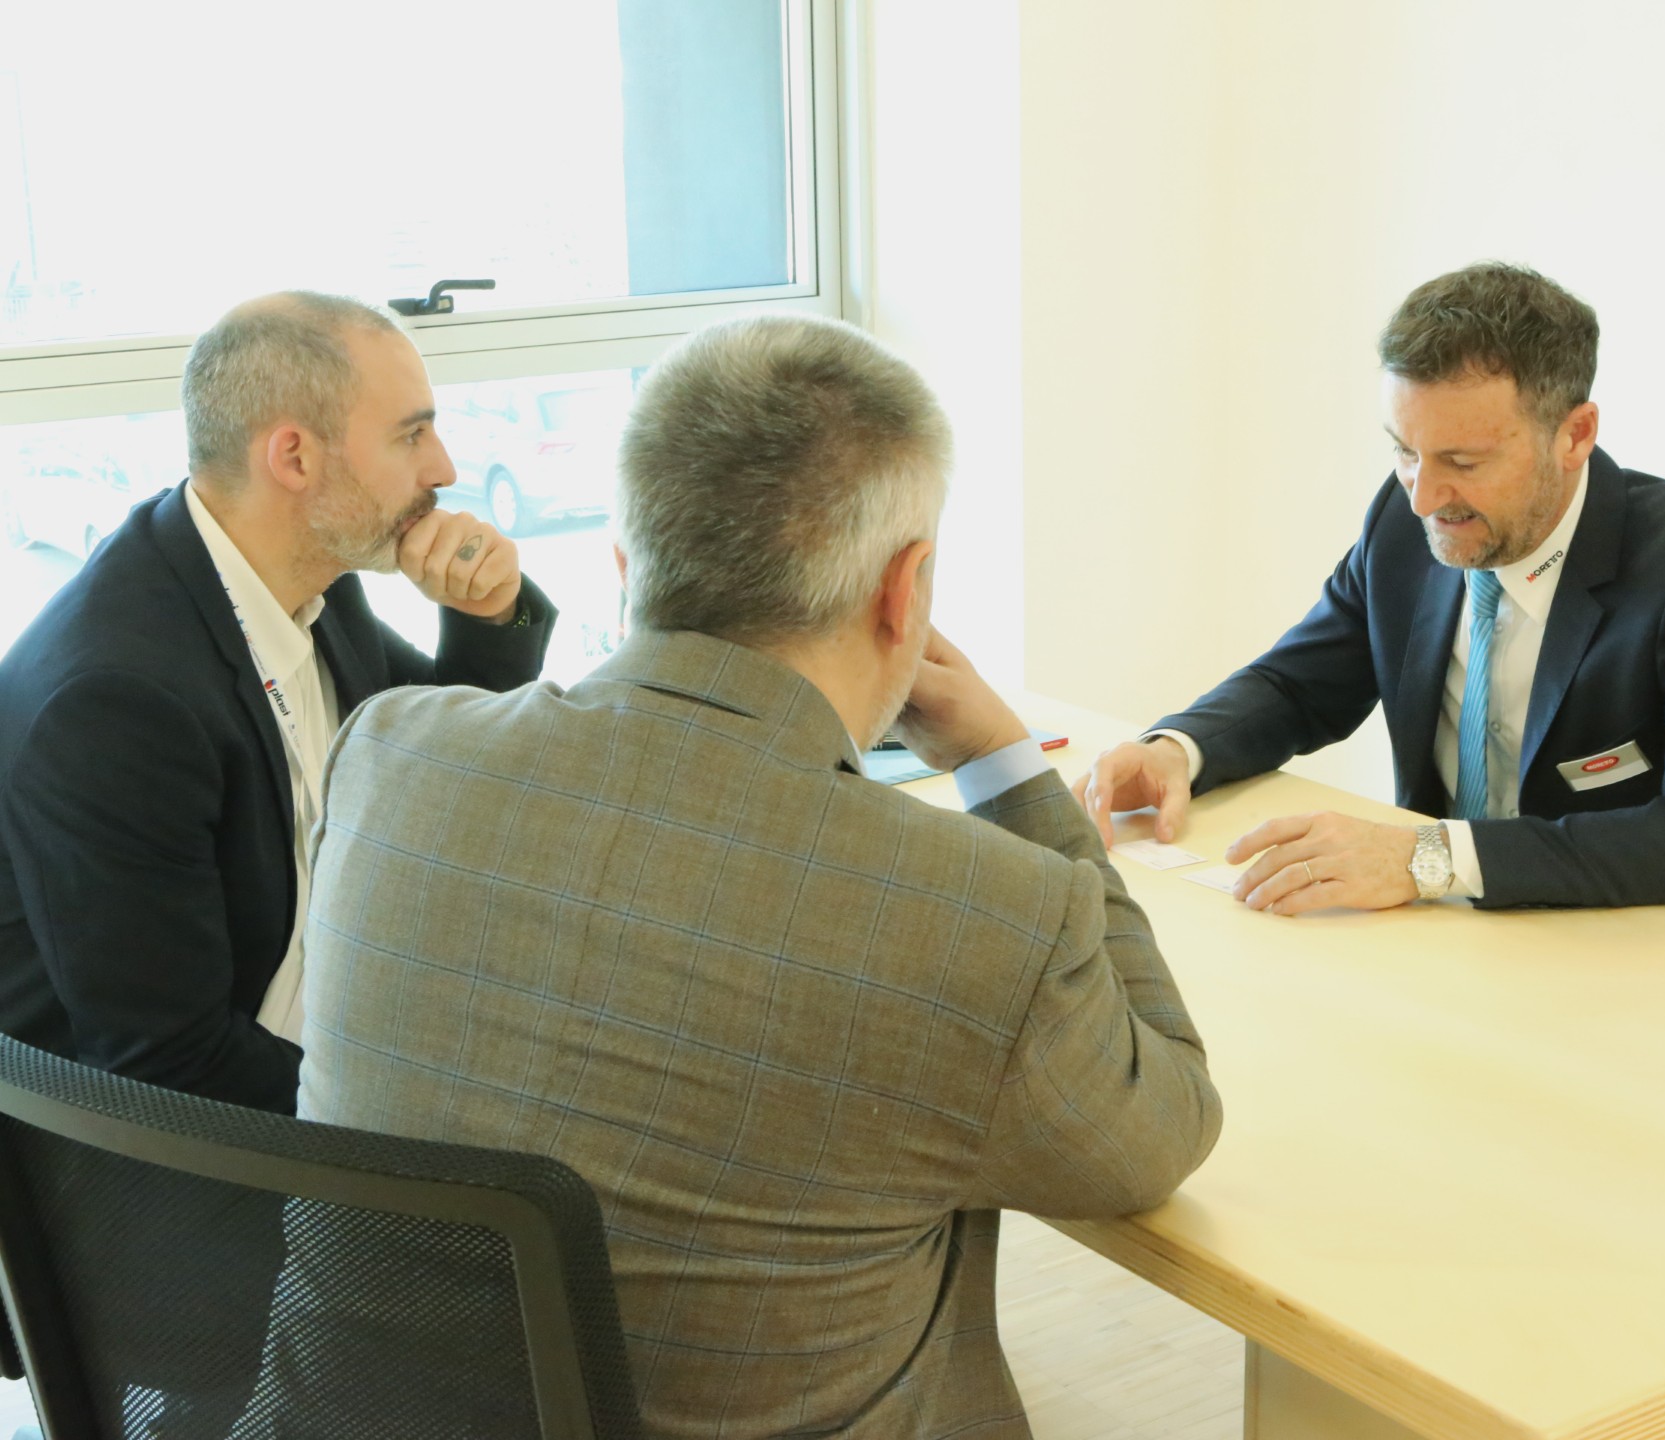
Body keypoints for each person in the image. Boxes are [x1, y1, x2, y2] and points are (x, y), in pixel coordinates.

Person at [295, 313, 1222, 1437]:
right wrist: (1000, 760)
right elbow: (1158, 1131)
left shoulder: (391, 754)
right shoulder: (979, 913)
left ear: (626, 566)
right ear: (904, 591)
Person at [1075, 262, 1665, 931]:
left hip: (1658, 949)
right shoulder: (1405, 523)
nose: (1423, 497)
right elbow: (1298, 685)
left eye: (1462, 460)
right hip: (1457, 938)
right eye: (1404, 450)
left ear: (1574, 435)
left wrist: (1426, 858)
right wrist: (1177, 750)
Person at [0, 291, 557, 1116]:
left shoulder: (309, 582)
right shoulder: (117, 704)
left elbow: (447, 778)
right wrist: (406, 1101)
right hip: (188, 1143)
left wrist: (488, 617)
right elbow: (170, 1064)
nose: (443, 469)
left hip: (317, 1031)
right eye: (411, 434)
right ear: (295, 457)